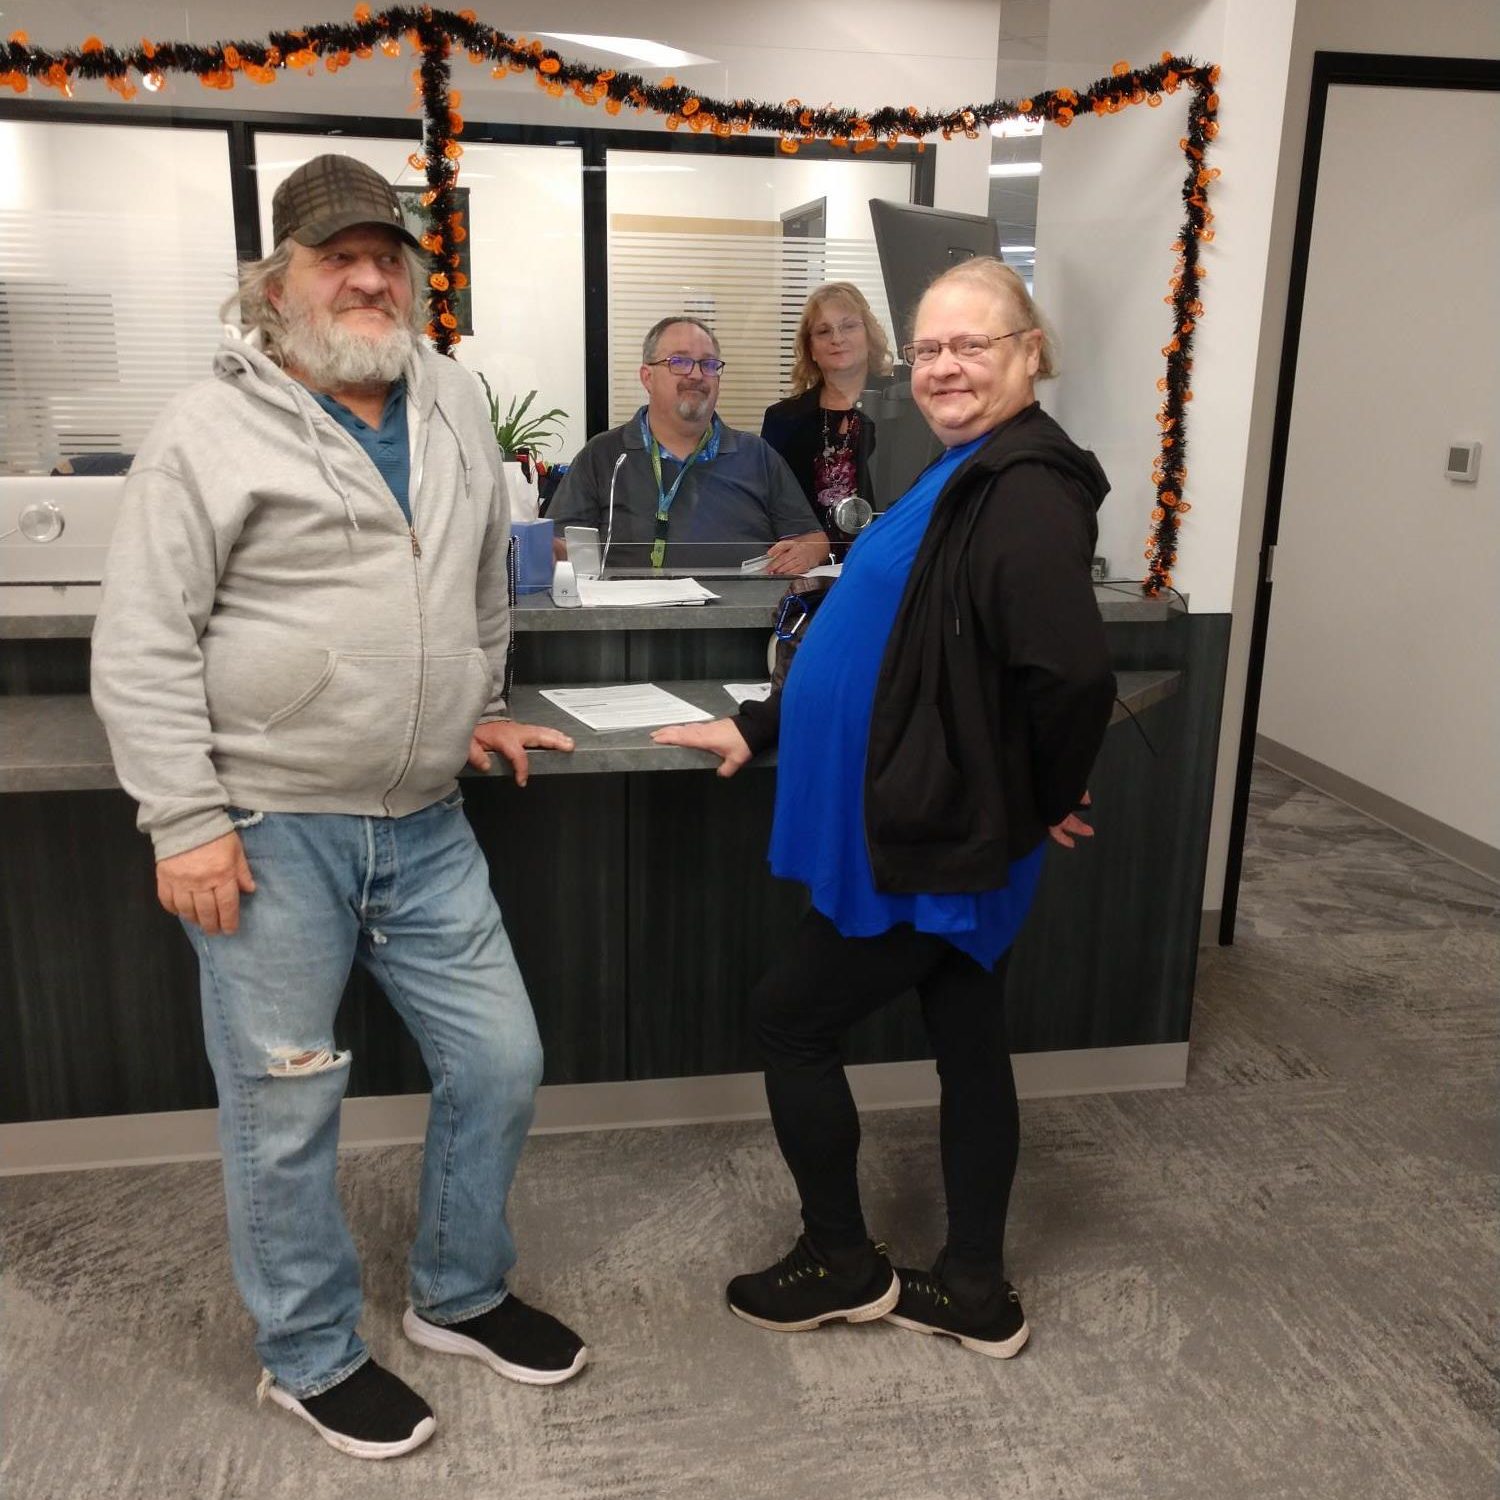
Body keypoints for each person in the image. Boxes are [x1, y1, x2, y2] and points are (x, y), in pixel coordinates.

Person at [91, 154, 586, 1462]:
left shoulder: (455, 400)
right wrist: (184, 819)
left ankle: (458, 1293)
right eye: (336, 255)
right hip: (270, 827)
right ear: (276, 283)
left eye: (389, 255)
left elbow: (481, 582)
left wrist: (475, 697)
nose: (370, 275)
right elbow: (143, 638)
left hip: (426, 822)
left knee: (502, 1061)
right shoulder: (208, 428)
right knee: (285, 1102)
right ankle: (307, 1356)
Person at [654, 257, 1116, 1358]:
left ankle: (841, 1262)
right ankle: (974, 1289)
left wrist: (1036, 796)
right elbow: (886, 621)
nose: (948, 365)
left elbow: (1070, 675)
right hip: (944, 826)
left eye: (976, 344)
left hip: (929, 838)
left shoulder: (1027, 488)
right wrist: (764, 724)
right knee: (967, 1035)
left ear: (1030, 351)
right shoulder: (967, 466)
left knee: (791, 1017)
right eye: (934, 348)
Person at [548, 316, 829, 576]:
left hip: (740, 624)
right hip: (632, 624)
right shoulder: (603, 455)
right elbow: (561, 545)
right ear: (647, 377)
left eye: (708, 365)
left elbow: (813, 539)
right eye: (679, 362)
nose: (696, 375)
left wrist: (806, 552)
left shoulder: (757, 455)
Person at [760, 282, 895, 556]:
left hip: (890, 561)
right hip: (809, 570)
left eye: (848, 326)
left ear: (868, 336)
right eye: (823, 331)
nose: (837, 338)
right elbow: (772, 507)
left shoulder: (905, 406)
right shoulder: (783, 419)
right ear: (810, 349)